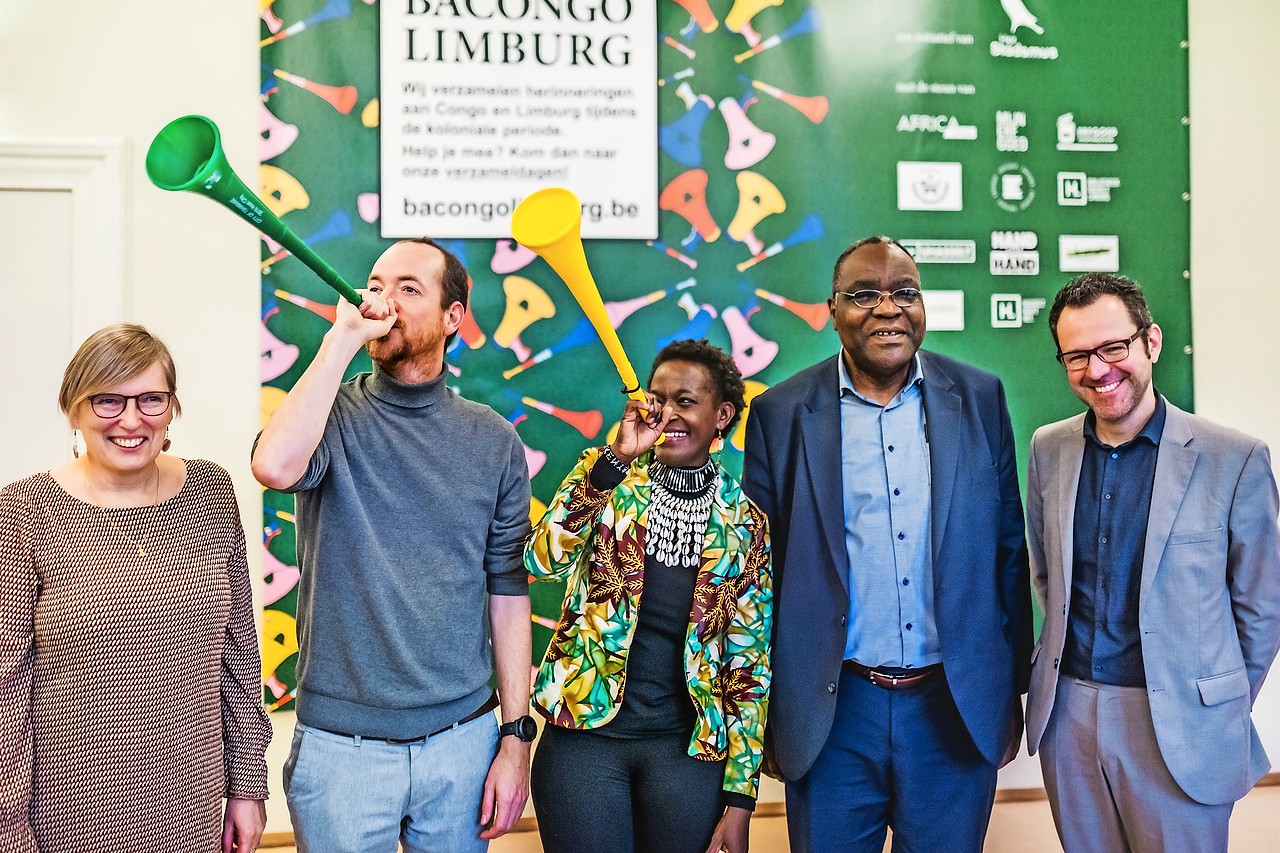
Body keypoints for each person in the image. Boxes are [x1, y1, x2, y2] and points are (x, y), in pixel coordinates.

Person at [742, 236, 1031, 852]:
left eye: (904, 293)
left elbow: (1008, 551)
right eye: (864, 295)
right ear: (833, 309)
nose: (887, 309)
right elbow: (756, 575)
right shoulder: (781, 412)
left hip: (953, 707)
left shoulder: (980, 398)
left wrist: (1011, 690)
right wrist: (764, 709)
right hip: (833, 710)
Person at [251, 238, 534, 852]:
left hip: (463, 742)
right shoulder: (329, 415)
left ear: (453, 317)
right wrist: (339, 340)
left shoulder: (495, 442)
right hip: (340, 750)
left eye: (409, 288)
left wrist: (515, 737)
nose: (383, 300)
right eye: (376, 285)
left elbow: (508, 590)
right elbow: (272, 467)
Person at [1025, 273, 1280, 852]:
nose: (1098, 369)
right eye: (1078, 355)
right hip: (1070, 714)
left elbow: (1262, 608)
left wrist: (1213, 697)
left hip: (1180, 722)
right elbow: (1048, 575)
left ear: (1151, 342)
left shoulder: (1233, 459)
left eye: (1113, 348)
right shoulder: (1049, 448)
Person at [0, 323, 271, 853]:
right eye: (107, 401)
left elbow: (238, 657)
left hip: (193, 804)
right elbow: (9, 689)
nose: (131, 420)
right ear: (74, 409)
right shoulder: (26, 510)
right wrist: (11, 827)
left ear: (171, 409)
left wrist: (248, 787)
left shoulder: (212, 492)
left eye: (151, 399)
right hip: (68, 811)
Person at [526, 339, 773, 853]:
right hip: (583, 743)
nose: (668, 414)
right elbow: (542, 562)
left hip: (684, 752)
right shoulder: (608, 476)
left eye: (686, 401)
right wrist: (614, 459)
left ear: (722, 415)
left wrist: (742, 799)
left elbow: (748, 664)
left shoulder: (745, 525)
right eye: (658, 399)